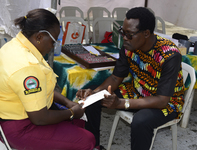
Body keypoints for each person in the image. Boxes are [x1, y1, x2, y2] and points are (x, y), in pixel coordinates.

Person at [76, 7, 184, 150]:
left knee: (141, 121)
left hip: (166, 103)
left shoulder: (169, 55)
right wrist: (93, 94)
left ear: (146, 33)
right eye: (123, 32)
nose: (124, 38)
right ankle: (92, 146)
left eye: (129, 34)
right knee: (91, 101)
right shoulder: (129, 46)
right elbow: (115, 78)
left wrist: (121, 103)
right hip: (137, 92)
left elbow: (162, 100)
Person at [0, 8, 95, 150]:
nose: (53, 46)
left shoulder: (14, 46)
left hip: (19, 114)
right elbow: (40, 118)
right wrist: (71, 113)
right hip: (21, 127)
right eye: (53, 42)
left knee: (77, 124)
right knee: (87, 140)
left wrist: (66, 102)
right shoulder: (27, 67)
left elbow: (40, 91)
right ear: (39, 37)